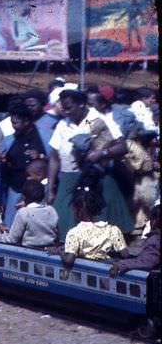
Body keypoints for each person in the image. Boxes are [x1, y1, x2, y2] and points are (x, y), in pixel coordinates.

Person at [47, 89, 132, 238]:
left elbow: (122, 146)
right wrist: (50, 189)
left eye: (69, 107)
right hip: (68, 177)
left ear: (81, 104)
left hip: (97, 177)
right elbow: (54, 158)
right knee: (63, 215)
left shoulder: (96, 119)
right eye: (63, 108)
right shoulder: (63, 124)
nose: (65, 111)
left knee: (100, 218)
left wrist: (101, 153)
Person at [50, 183, 129, 265]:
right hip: (106, 270)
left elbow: (69, 260)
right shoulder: (113, 230)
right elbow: (125, 254)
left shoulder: (74, 233)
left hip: (85, 271)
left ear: (77, 211)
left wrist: (59, 252)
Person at [0, 103, 48, 227]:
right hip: (16, 188)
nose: (13, 126)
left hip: (39, 192)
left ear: (26, 121)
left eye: (15, 123)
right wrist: (4, 161)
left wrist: (41, 156)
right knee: (11, 224)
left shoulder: (44, 136)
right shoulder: (10, 139)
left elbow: (53, 160)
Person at [0, 180, 58, 249]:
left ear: (24, 197)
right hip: (48, 249)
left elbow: (12, 239)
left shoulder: (23, 213)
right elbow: (57, 234)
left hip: (28, 252)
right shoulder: (51, 210)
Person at [110, 203, 159, 276]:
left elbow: (146, 262)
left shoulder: (155, 240)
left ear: (154, 221)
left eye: (150, 219)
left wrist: (119, 265)